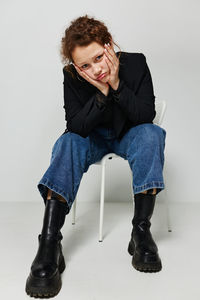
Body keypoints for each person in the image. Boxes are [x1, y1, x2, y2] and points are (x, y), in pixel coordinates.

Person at [25, 14, 167, 298]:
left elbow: (145, 115)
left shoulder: (136, 63)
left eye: (99, 58)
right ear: (76, 67)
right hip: (93, 140)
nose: (95, 69)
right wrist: (101, 92)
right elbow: (76, 126)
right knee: (67, 143)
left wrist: (115, 84)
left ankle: (141, 232)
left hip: (130, 135)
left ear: (109, 45)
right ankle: (50, 244)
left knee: (152, 134)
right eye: (85, 66)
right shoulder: (72, 77)